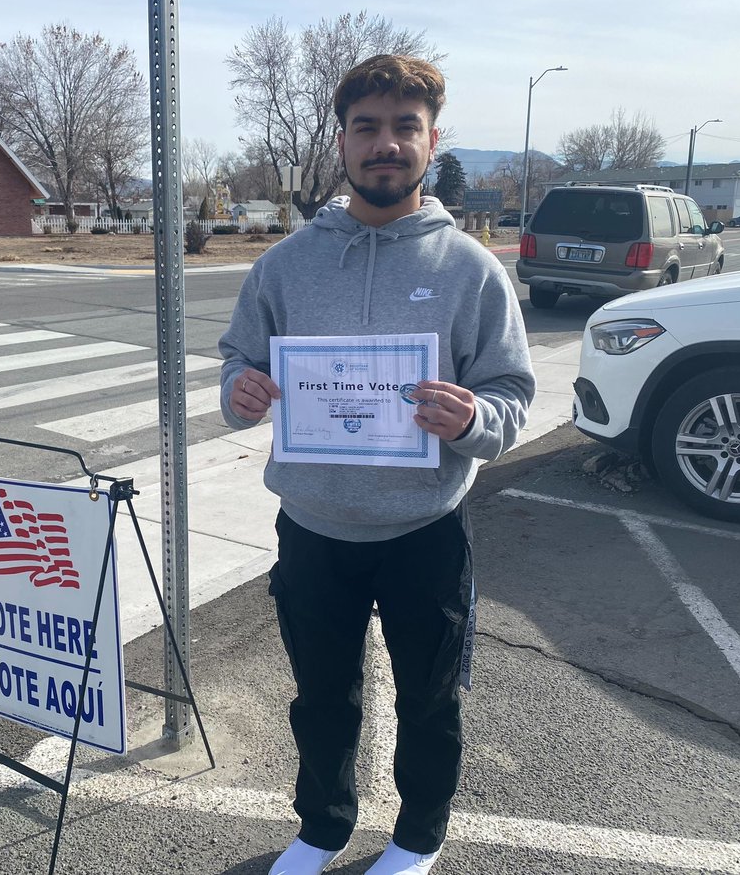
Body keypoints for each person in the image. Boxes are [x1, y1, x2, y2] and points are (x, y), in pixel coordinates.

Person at [217, 54, 535, 875]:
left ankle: (419, 837)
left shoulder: (470, 269)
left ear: (431, 142)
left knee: (430, 700)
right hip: (315, 528)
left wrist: (474, 417)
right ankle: (321, 827)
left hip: (425, 530)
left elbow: (509, 391)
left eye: (405, 127)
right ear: (343, 142)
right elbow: (237, 362)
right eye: (368, 128)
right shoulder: (283, 265)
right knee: (321, 698)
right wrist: (241, 392)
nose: (385, 144)